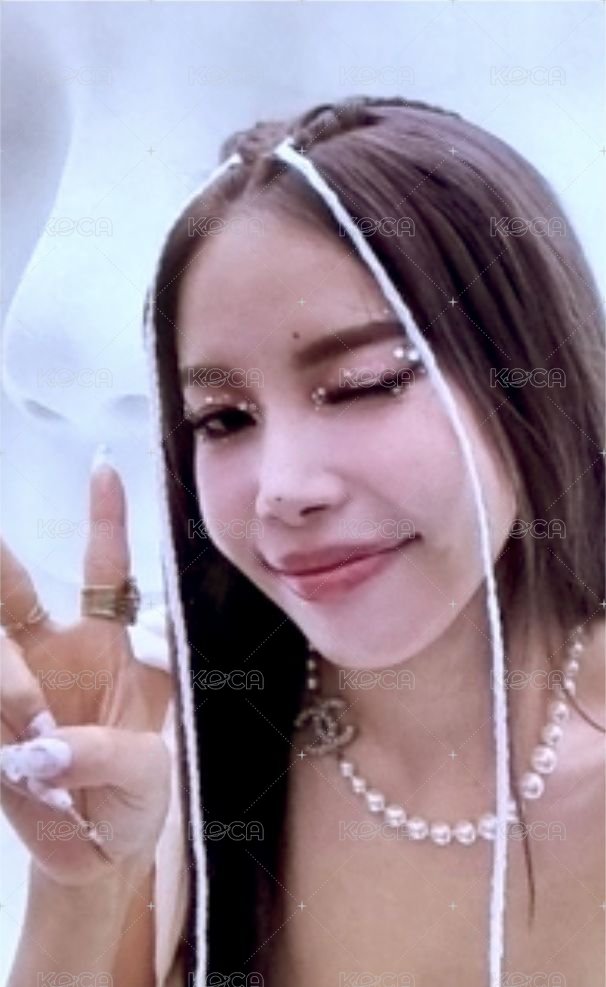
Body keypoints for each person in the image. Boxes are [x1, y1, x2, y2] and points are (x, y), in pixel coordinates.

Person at [2, 95, 604, 987]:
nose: (282, 488)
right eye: (223, 418)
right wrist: (82, 886)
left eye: (364, 383)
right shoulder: (165, 733)